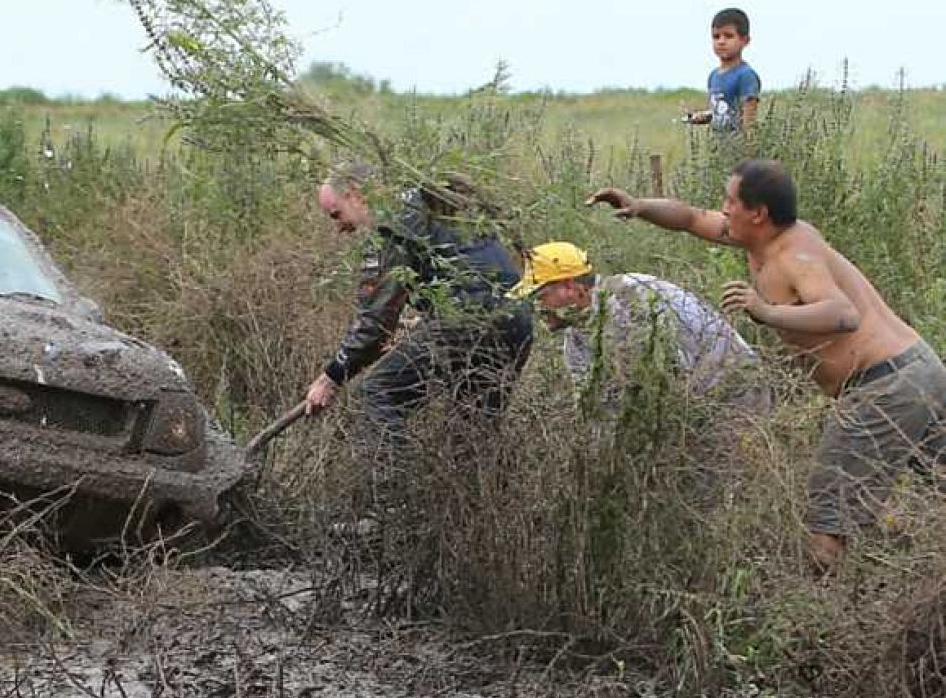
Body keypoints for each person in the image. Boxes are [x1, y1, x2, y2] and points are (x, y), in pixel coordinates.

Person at [587, 159, 946, 569]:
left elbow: (843, 315)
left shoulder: (795, 255)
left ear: (758, 213)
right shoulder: (760, 238)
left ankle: (822, 619)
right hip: (920, 370)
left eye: (731, 200)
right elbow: (691, 217)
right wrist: (639, 206)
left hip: (885, 386)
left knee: (827, 519)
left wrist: (766, 312)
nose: (722, 208)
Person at [302, 164, 534, 432]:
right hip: (517, 319)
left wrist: (331, 378)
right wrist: (427, 320)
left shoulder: (390, 223)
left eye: (336, 214)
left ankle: (390, 474)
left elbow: (375, 322)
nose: (339, 228)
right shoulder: (431, 200)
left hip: (467, 319)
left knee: (376, 395)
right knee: (474, 430)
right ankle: (485, 474)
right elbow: (466, 266)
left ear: (356, 195)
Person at [511, 241, 767, 411]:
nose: (539, 309)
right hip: (695, 406)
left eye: (541, 297)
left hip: (734, 393)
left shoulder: (632, 298)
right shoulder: (576, 338)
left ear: (570, 286)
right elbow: (594, 406)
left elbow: (670, 386)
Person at [683, 7, 761, 135]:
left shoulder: (745, 75)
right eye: (716, 36)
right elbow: (721, 112)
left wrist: (748, 150)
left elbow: (749, 121)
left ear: (745, 40)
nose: (721, 42)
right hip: (718, 147)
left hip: (738, 149)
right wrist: (703, 116)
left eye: (729, 36)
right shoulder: (713, 76)